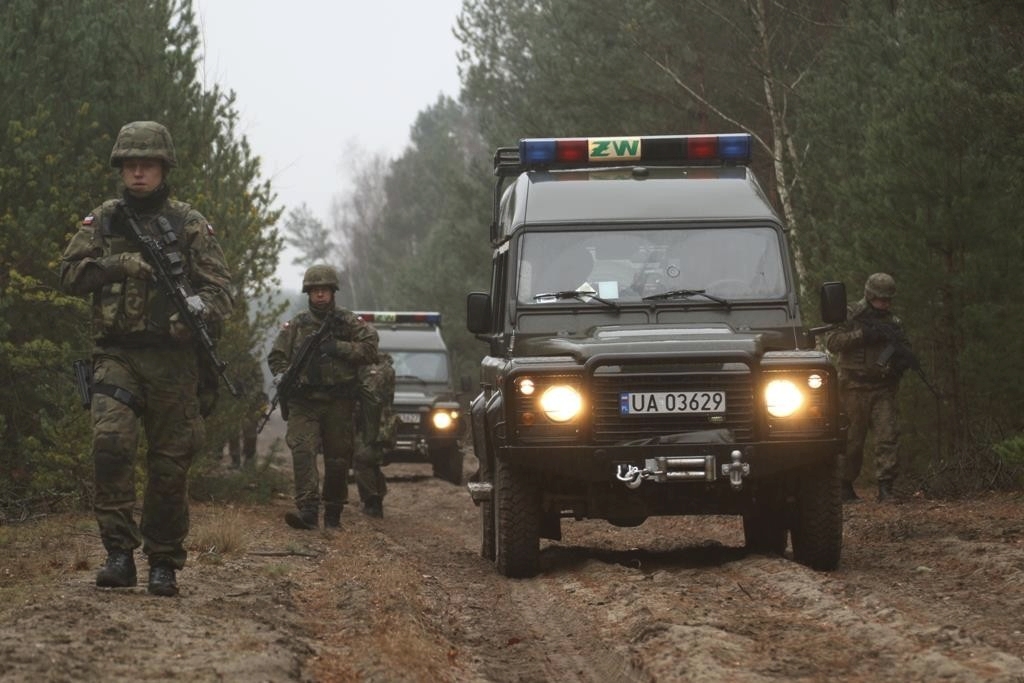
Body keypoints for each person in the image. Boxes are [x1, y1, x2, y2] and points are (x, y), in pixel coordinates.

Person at [60, 121, 233, 596]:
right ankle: (118, 552)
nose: (138, 173)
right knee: (110, 444)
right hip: (116, 354)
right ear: (121, 168)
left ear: (162, 168)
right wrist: (117, 264)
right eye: (130, 165)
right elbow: (68, 275)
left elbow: (221, 292)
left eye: (147, 165)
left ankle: (163, 561)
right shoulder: (105, 220)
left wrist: (192, 312)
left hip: (175, 364)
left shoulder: (188, 223)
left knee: (169, 465)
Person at [267, 265, 378, 529]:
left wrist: (339, 348)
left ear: (332, 292)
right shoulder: (296, 324)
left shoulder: (349, 322)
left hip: (338, 401)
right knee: (303, 451)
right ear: (308, 293)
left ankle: (333, 512)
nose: (320, 296)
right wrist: (283, 376)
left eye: (324, 290)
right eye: (315, 291)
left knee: (338, 458)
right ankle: (307, 509)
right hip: (304, 401)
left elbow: (371, 349)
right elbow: (276, 356)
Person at [825, 272, 911, 503]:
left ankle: (886, 487)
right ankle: (844, 486)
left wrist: (900, 361)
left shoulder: (893, 322)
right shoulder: (851, 315)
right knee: (852, 440)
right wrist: (862, 335)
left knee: (888, 437)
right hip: (853, 386)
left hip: (883, 387)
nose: (884, 304)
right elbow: (832, 343)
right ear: (870, 295)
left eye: (888, 300)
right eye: (880, 299)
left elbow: (902, 348)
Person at [354, 352, 397, 518]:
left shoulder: (378, 370)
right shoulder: (377, 367)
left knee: (363, 459)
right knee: (371, 461)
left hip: (374, 422)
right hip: (371, 421)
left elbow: (371, 394)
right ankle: (375, 499)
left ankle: (373, 501)